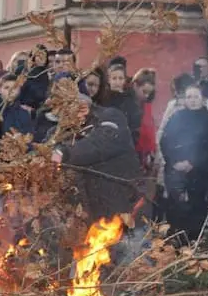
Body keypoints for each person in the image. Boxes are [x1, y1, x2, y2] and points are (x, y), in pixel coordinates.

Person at [50, 95, 144, 224]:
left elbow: (99, 144)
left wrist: (64, 153)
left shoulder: (110, 117)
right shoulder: (62, 132)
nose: (65, 118)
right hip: (88, 212)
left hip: (120, 206)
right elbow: (48, 150)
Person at [160, 84, 208, 244]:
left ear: (203, 99)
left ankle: (193, 239)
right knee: (175, 204)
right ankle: (175, 237)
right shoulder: (177, 117)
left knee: (196, 205)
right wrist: (174, 161)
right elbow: (166, 140)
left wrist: (193, 162)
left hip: (200, 171)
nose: (192, 100)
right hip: (175, 168)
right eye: (189, 97)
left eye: (196, 97)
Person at [102, 62, 142, 146]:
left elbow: (135, 126)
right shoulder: (103, 100)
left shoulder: (130, 101)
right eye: (114, 78)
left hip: (125, 146)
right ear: (109, 80)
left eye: (120, 78)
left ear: (124, 80)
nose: (117, 82)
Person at [0, 72, 33, 138]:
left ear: (19, 89)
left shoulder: (23, 113)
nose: (11, 91)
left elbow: (29, 137)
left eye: (15, 88)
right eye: (6, 88)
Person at [132, 69, 158, 170]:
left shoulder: (146, 105)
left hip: (142, 154)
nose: (146, 96)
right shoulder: (128, 104)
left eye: (149, 93)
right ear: (135, 86)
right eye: (144, 92)